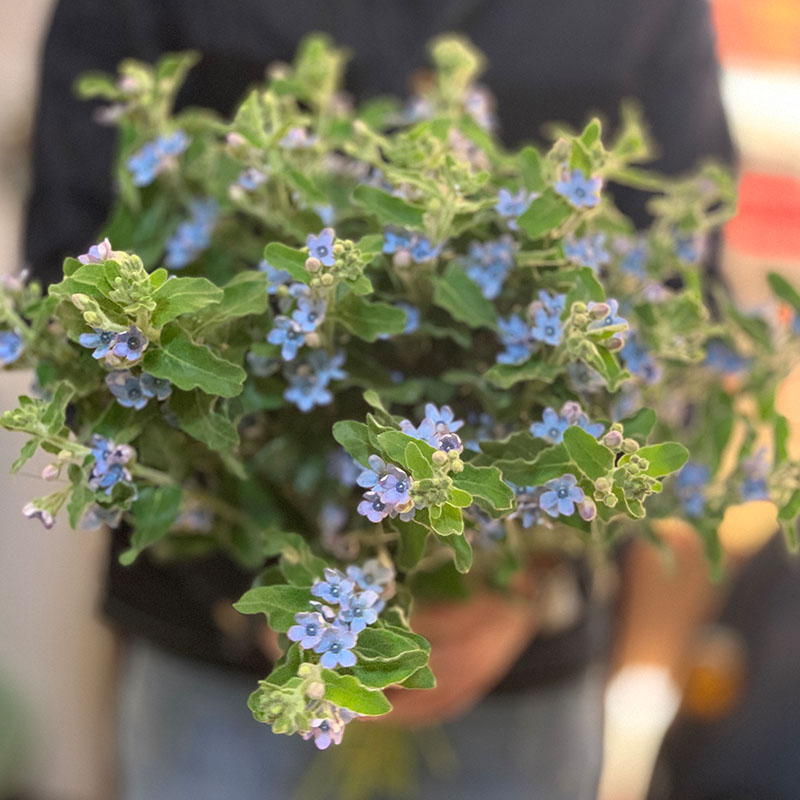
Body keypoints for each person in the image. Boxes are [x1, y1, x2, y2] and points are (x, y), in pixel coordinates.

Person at [25, 1, 734, 797]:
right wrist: (270, 568)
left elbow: (682, 325)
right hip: (219, 649)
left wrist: (527, 587)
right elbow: (70, 287)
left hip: (514, 662)